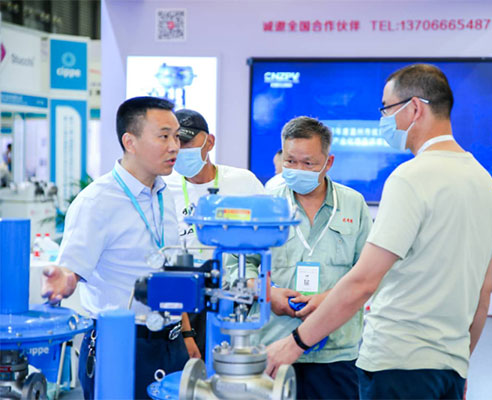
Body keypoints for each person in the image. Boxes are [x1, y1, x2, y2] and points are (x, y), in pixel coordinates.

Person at [265, 64, 492, 400]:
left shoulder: (410, 178)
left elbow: (363, 282)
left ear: (415, 108)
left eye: (387, 109)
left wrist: (295, 343)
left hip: (398, 364)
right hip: (450, 366)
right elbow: (484, 292)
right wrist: (461, 363)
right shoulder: (485, 183)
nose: (384, 120)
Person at [41, 96, 198, 399]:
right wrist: (65, 279)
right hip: (120, 344)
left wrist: (186, 334)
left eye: (176, 136)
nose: (175, 146)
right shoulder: (96, 201)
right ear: (130, 141)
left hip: (172, 341)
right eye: (164, 136)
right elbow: (72, 270)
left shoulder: (166, 194)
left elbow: (170, 271)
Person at [229, 116, 373, 399]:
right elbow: (236, 265)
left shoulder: (353, 204)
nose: (297, 170)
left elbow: (368, 272)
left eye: (308, 163)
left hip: (335, 352)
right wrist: (267, 292)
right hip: (273, 347)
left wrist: (330, 299)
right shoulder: (264, 204)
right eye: (290, 161)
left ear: (328, 163)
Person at [164, 108, 264, 355]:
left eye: (187, 142)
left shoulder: (243, 182)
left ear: (209, 142)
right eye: (175, 141)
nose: (180, 148)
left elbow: (265, 239)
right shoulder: (163, 188)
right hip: (184, 295)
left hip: (234, 291)